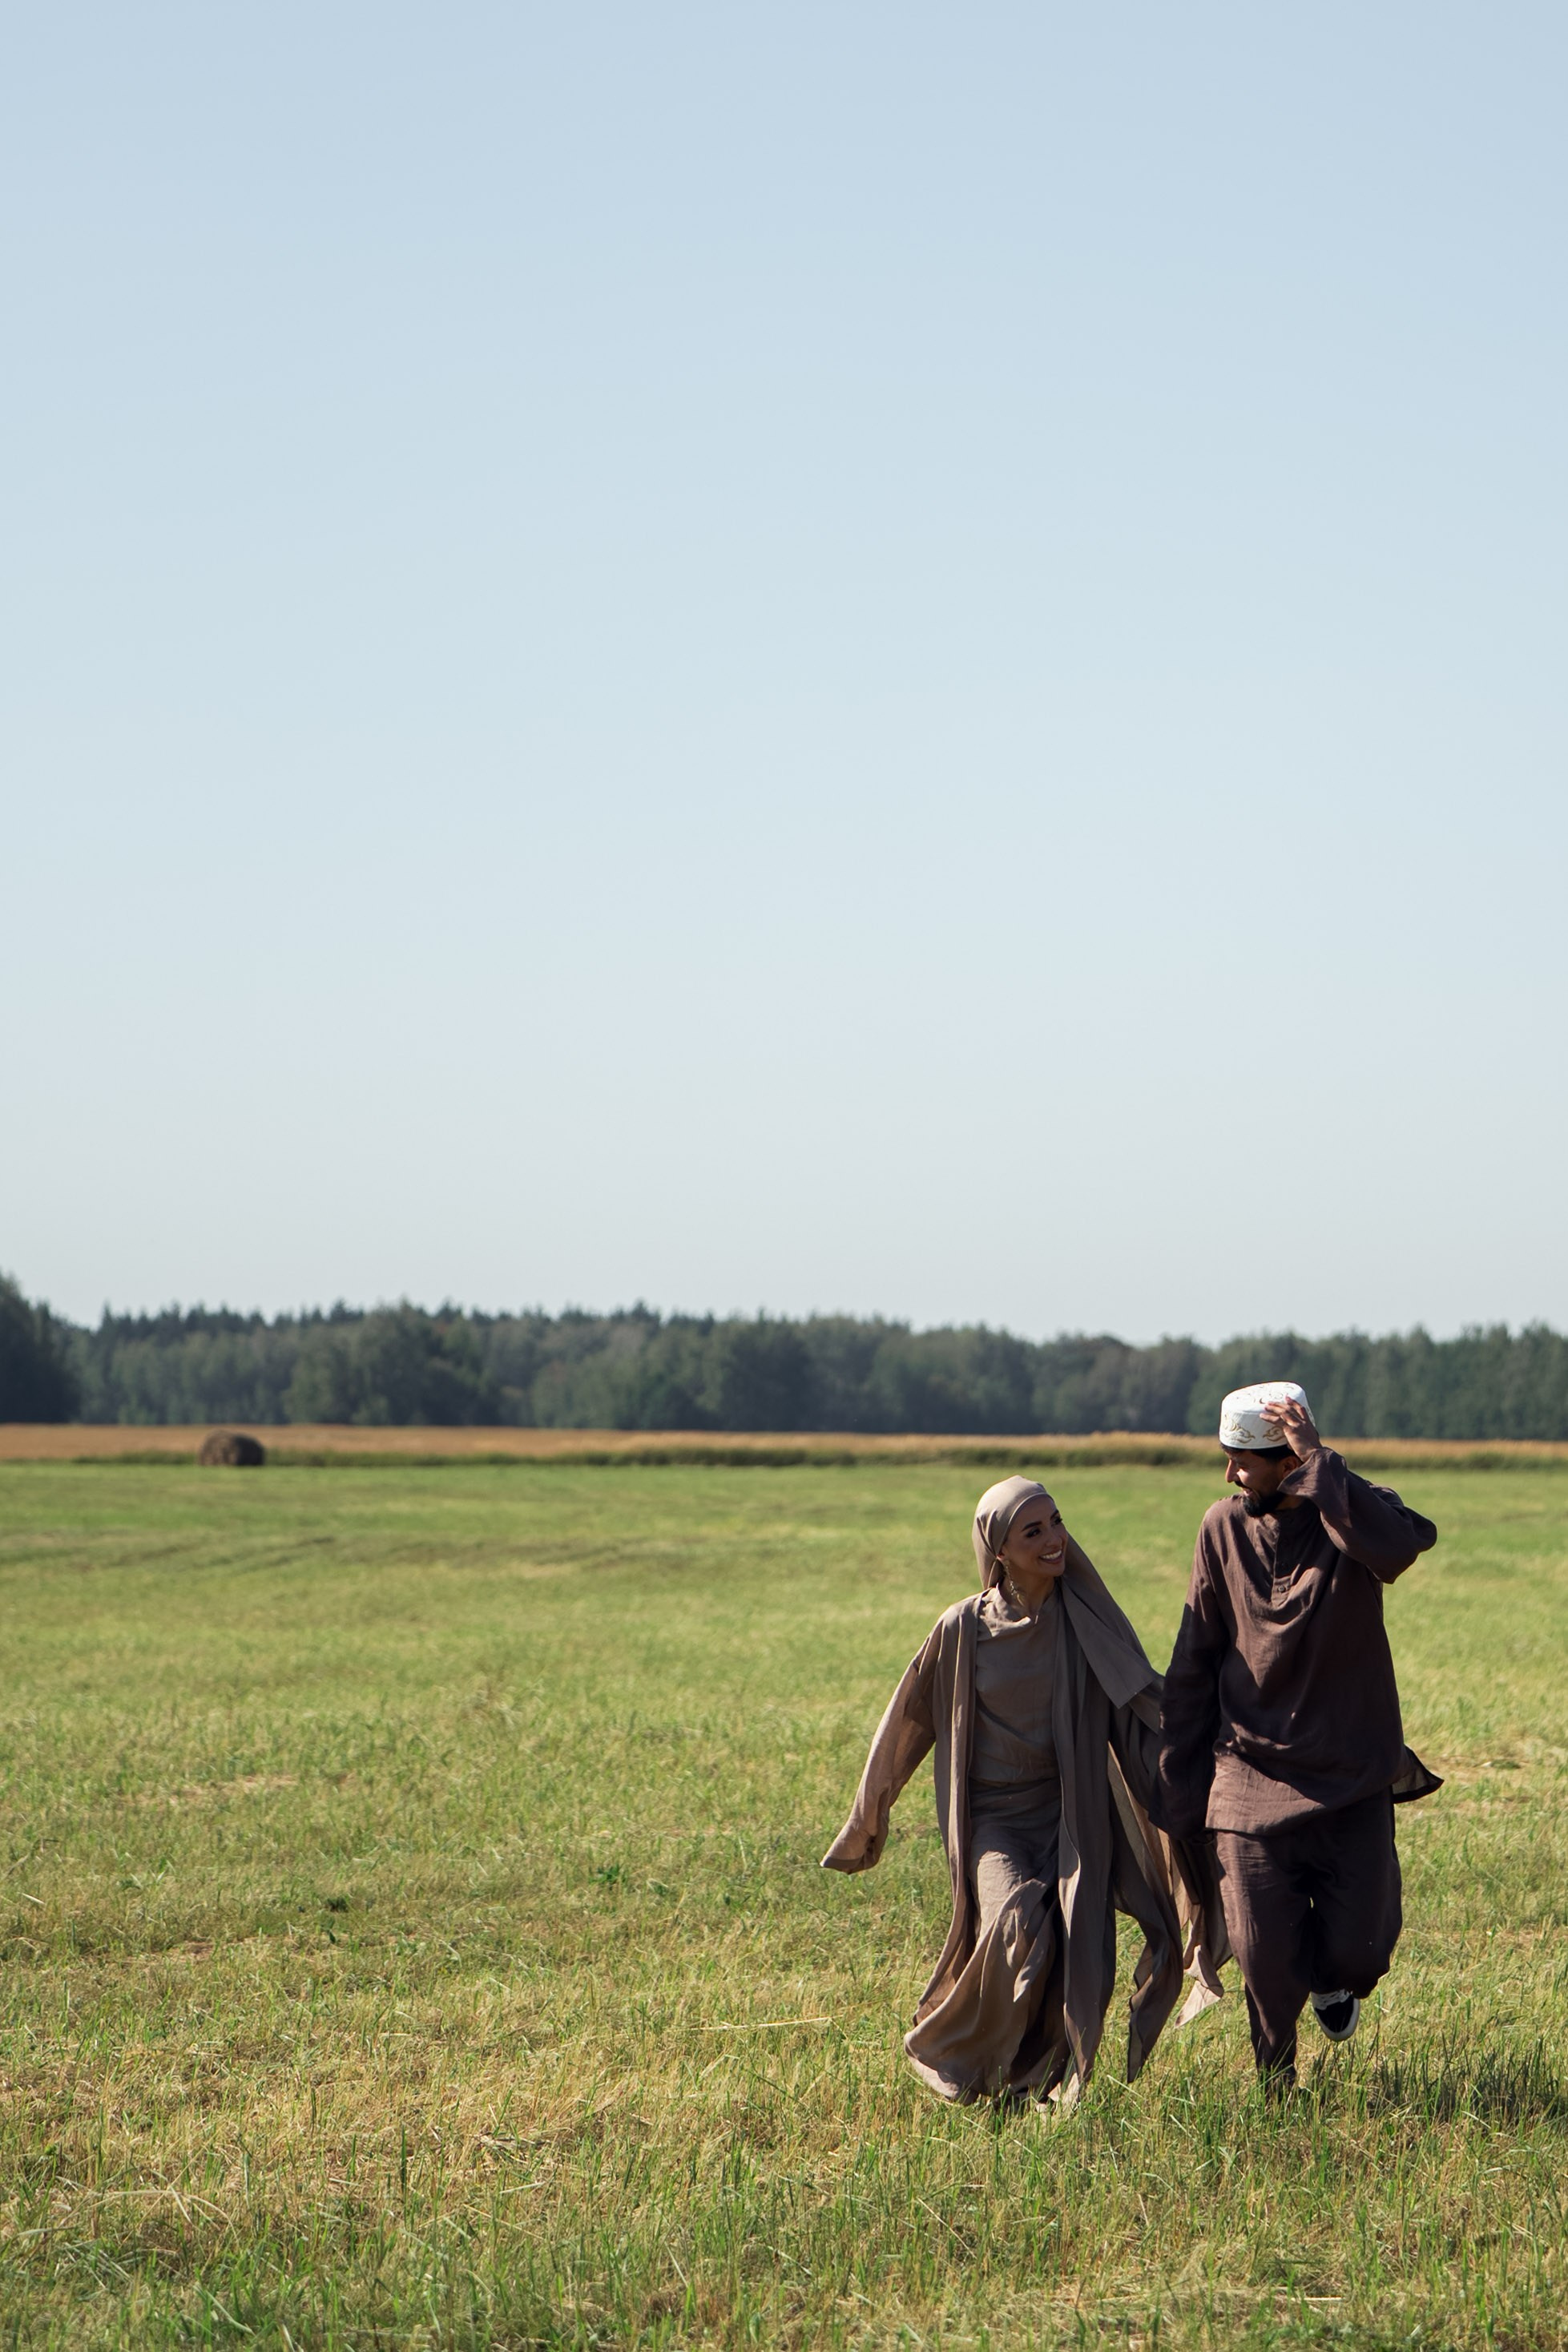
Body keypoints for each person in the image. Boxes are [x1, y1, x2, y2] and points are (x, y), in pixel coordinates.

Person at [824, 1477, 1223, 2109]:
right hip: (994, 1821)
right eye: (1031, 1530)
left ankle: (1033, 2086)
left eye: (1056, 1522)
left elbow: (1143, 1706)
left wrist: (1213, 1756)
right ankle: (947, 2048)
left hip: (1071, 1815)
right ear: (998, 1549)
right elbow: (907, 1722)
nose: (1053, 1539)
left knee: (1074, 1950)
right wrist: (865, 1817)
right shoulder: (960, 1629)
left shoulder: (1085, 1622)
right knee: (1016, 1921)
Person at [1153, 1382, 1440, 2092]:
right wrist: (1176, 1777)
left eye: (1241, 1460)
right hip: (1247, 1773)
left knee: (1361, 1950)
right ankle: (1275, 2087)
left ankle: (1332, 1981)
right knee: (1260, 1951)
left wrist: (1324, 1465)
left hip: (1349, 1772)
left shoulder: (1350, 1511)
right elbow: (1194, 1656)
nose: (1228, 1474)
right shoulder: (1219, 1528)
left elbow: (1398, 1547)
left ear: (1288, 1459)